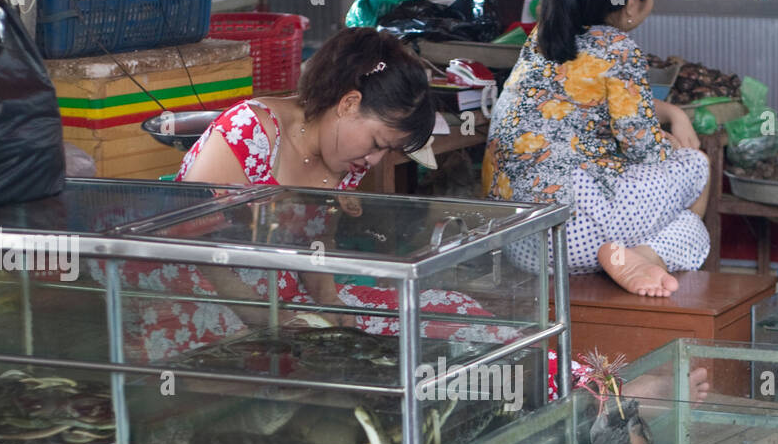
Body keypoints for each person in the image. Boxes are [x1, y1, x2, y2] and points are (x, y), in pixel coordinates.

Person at [90, 27, 513, 365]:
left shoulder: (342, 157)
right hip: (196, 292)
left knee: (446, 311)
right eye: (377, 141)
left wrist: (328, 303)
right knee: (277, 361)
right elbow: (198, 250)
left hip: (287, 297)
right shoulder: (249, 132)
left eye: (385, 150)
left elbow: (317, 244)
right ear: (349, 103)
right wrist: (274, 319)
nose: (374, 158)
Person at [482, 0, 709, 299]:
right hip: (575, 228)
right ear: (632, 2)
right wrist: (671, 143)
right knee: (696, 165)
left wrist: (669, 114)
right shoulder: (617, 47)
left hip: (523, 244)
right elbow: (643, 149)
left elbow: (583, 102)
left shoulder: (542, 40)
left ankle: (639, 258)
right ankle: (644, 256)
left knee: (693, 231)